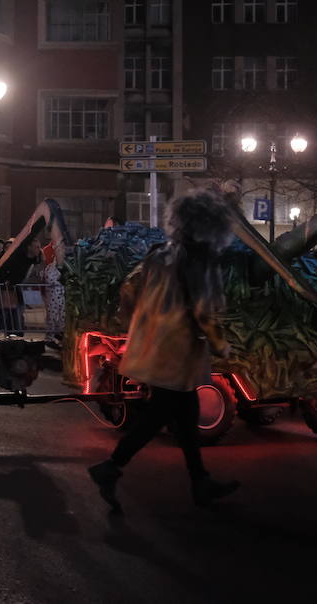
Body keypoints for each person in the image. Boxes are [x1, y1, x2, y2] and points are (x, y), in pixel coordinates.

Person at [88, 189, 241, 513]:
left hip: (153, 347)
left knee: (184, 418)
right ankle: (111, 467)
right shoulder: (198, 260)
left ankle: (199, 481)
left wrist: (138, 324)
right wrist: (221, 345)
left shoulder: (160, 253)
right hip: (176, 354)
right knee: (162, 415)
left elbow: (128, 288)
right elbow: (203, 311)